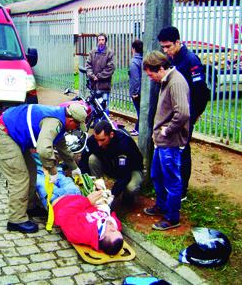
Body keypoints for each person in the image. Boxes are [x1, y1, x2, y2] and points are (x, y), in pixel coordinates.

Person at [0, 103, 87, 234]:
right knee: (19, 177)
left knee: (31, 171)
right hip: (3, 134)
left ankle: (29, 207)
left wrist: (74, 167)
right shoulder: (55, 122)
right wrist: (52, 170)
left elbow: (61, 145)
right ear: (70, 120)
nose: (76, 128)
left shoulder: (60, 120)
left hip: (14, 136)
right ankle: (16, 219)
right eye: (77, 125)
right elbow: (44, 149)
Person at [34, 154, 124, 255]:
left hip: (56, 198)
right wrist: (111, 221)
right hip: (74, 193)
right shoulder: (109, 226)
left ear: (102, 237)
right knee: (57, 173)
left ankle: (32, 153)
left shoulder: (81, 234)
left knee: (38, 175)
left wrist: (87, 202)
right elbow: (117, 224)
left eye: (112, 231)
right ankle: (42, 154)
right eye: (116, 231)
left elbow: (64, 214)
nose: (114, 228)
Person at [157, 26, 209, 200]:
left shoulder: (190, 60)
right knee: (173, 150)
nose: (165, 50)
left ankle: (182, 191)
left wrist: (194, 114)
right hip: (173, 114)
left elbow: (201, 90)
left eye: (168, 46)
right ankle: (172, 185)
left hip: (185, 114)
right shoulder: (172, 59)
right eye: (163, 47)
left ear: (178, 42)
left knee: (183, 150)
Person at [142, 51, 190, 231]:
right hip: (162, 142)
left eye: (151, 74)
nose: (151, 78)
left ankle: (172, 217)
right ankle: (161, 206)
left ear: (161, 68)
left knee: (171, 181)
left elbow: (183, 113)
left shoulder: (176, 82)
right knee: (157, 175)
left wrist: (168, 131)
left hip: (170, 142)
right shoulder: (166, 80)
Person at [79, 120, 143, 206]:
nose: (99, 144)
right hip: (111, 165)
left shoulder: (124, 144)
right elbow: (84, 160)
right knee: (92, 159)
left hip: (130, 169)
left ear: (111, 135)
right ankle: (97, 190)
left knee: (131, 187)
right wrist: (86, 180)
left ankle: (126, 200)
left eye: (102, 140)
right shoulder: (93, 140)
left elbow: (125, 175)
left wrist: (112, 194)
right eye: (96, 139)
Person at [85, 33, 116, 114]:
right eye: (99, 40)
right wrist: (92, 75)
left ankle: (104, 124)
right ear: (97, 41)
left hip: (104, 87)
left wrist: (98, 76)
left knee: (104, 106)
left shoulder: (110, 52)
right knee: (94, 106)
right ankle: (96, 123)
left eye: (103, 40)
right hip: (94, 85)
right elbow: (88, 65)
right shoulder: (93, 52)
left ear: (105, 41)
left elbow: (111, 68)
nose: (101, 42)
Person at [128, 40, 143, 136]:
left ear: (133, 49)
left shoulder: (134, 62)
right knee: (141, 111)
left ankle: (139, 129)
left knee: (139, 111)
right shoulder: (143, 59)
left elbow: (135, 79)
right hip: (144, 91)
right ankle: (137, 128)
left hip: (138, 92)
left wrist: (134, 92)